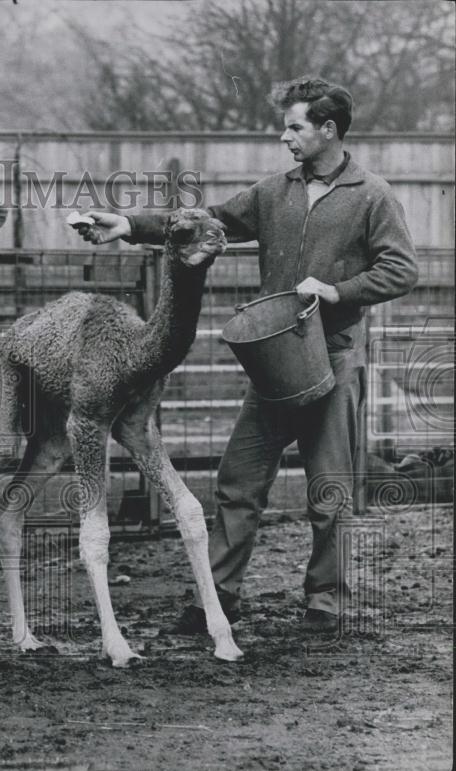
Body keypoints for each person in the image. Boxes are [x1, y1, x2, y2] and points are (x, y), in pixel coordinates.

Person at [73, 77, 418, 633]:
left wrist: (338, 291)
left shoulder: (372, 195)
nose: (285, 137)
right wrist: (129, 226)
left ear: (329, 130)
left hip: (333, 359)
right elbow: (205, 221)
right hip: (276, 361)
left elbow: (401, 269)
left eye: (295, 127)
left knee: (329, 488)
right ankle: (218, 599)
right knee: (238, 480)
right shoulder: (273, 192)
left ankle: (325, 603)